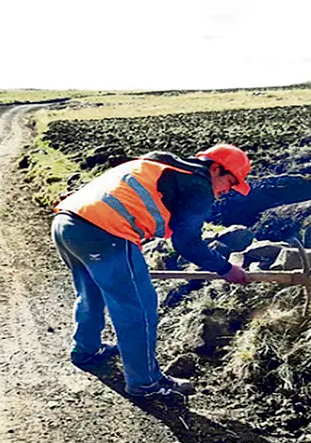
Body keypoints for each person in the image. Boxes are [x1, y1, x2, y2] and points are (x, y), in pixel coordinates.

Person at [50, 143, 253, 403]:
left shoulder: (163, 165)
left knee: (90, 291)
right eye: (230, 182)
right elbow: (187, 243)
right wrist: (226, 269)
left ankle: (86, 350)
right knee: (138, 308)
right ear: (215, 169)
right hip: (105, 232)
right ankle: (145, 383)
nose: (227, 191)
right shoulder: (199, 186)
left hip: (67, 223)